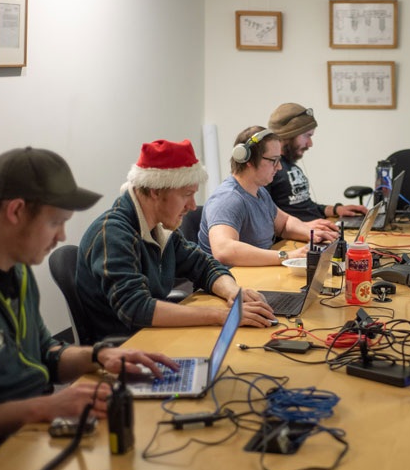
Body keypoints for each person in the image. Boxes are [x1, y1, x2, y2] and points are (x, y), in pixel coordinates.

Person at [0, 147, 179, 446]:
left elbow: (47, 352)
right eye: (55, 222)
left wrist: (100, 356)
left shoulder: (19, 272)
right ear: (15, 211)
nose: (63, 236)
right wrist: (45, 407)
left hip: (33, 434)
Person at [77, 139, 275, 341]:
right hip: (126, 348)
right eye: (186, 195)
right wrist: (222, 315)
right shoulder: (113, 234)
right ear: (155, 191)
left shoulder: (159, 227)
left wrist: (233, 292)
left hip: (154, 334)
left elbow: (202, 264)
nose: (191, 206)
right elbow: (136, 309)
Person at [199, 126, 338, 267]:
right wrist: (286, 256)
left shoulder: (260, 192)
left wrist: (313, 234)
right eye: (274, 161)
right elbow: (224, 251)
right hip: (232, 282)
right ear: (249, 160)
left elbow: (284, 224)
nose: (279, 168)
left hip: (254, 275)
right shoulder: (228, 199)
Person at [266, 103, 367, 223]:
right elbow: (266, 217)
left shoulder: (291, 166)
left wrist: (336, 209)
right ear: (289, 135)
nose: (310, 144)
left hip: (316, 230)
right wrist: (304, 229)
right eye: (306, 136)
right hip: (296, 238)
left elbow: (305, 207)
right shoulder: (269, 171)